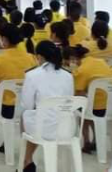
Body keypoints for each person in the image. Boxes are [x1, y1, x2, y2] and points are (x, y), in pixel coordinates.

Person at [20, 41, 75, 172]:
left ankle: (26, 160)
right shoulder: (68, 75)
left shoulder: (32, 75)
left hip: (42, 127)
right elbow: (69, 100)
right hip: (66, 127)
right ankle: (27, 160)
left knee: (27, 116)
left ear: (39, 56)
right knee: (42, 118)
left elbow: (27, 105)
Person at [0, 24, 37, 153]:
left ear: (4, 39)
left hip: (5, 108)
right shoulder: (31, 58)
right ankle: (5, 142)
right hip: (26, 107)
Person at [69, 45, 112, 153]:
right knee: (91, 106)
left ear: (74, 58)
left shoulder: (82, 69)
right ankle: (96, 140)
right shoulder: (102, 62)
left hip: (94, 106)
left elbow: (78, 92)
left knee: (81, 109)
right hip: (109, 103)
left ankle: (87, 142)